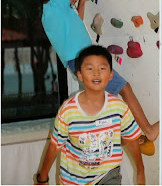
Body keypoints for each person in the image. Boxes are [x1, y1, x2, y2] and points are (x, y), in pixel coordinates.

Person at [41, 0, 159, 143]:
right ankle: (147, 130)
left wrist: (83, 2)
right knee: (123, 89)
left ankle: (124, 137)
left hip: (80, 61)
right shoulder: (55, 5)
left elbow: (77, 24)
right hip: (84, 60)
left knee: (107, 101)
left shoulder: (60, 12)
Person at [35, 45, 145, 185]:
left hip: (108, 175)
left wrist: (141, 170)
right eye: (90, 68)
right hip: (73, 181)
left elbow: (131, 140)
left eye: (102, 68)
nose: (96, 73)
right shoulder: (68, 111)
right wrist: (42, 178)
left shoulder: (119, 108)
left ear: (111, 75)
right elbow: (55, 146)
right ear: (79, 74)